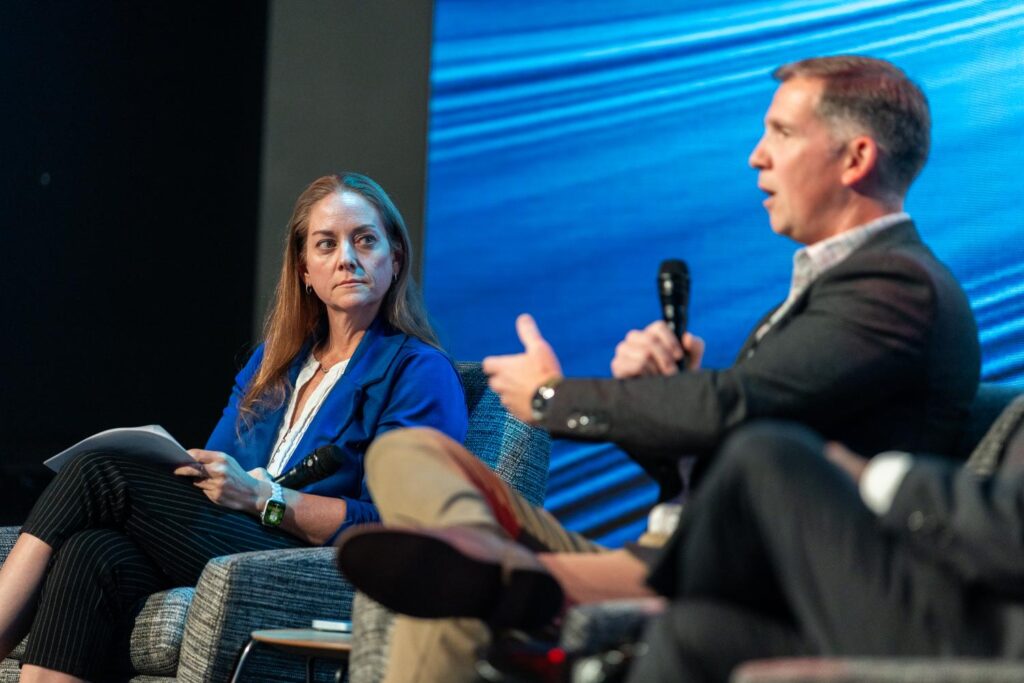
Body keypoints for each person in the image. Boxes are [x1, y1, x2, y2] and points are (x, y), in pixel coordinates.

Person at [336, 55, 980, 682]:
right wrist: (665, 400)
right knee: (407, 452)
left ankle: (488, 572)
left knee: (449, 590)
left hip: (728, 574)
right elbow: (735, 441)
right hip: (669, 547)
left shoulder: (896, 285)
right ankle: (485, 559)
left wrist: (552, 397)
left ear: (856, 158)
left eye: (782, 133)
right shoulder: (837, 287)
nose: (757, 156)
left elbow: (737, 407)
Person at [0, 172, 468, 682]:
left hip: (319, 567)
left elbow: (405, 530)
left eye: (365, 240)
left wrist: (266, 499)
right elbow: (218, 473)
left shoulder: (419, 371)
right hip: (241, 546)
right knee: (89, 553)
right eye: (326, 244)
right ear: (304, 270)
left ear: (394, 258)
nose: (347, 258)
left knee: (98, 471)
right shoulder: (275, 362)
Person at [625, 393, 1024, 683]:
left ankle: (629, 584)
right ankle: (642, 593)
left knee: (769, 458)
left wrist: (879, 478)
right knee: (691, 635)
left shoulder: (898, 306)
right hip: (957, 597)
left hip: (987, 645)